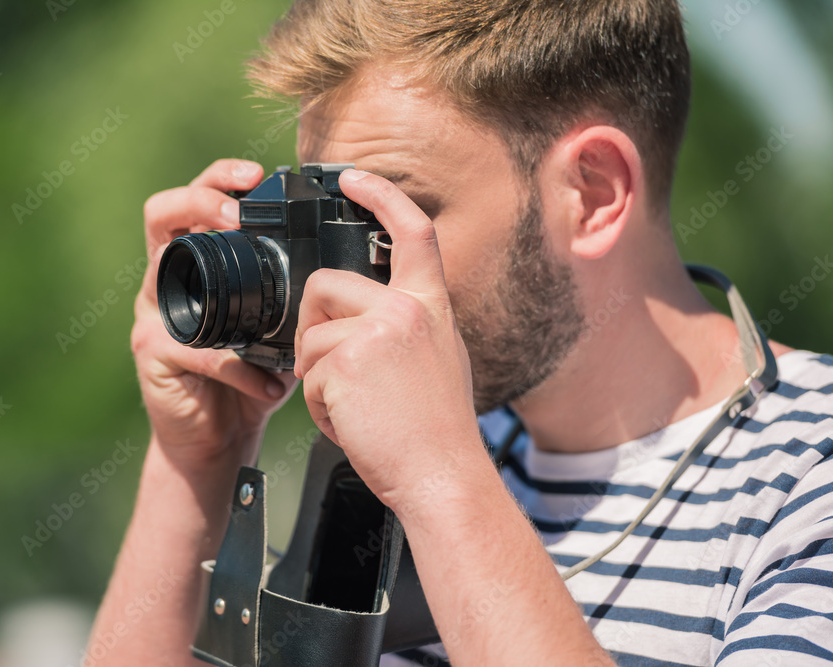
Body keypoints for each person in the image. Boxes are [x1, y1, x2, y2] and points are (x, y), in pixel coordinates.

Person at [88, 1, 833, 665]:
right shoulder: (390, 467)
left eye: (382, 219)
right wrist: (194, 465)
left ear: (594, 194)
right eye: (324, 218)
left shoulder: (809, 479)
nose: (332, 286)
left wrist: (439, 479)